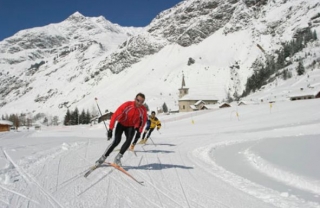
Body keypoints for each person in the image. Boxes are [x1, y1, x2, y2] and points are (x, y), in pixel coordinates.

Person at [95, 93, 147, 166]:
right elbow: (115, 116)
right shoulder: (127, 105)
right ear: (135, 99)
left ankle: (118, 158)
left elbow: (143, 121)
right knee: (116, 141)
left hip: (131, 126)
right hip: (121, 124)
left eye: (142, 102)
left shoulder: (143, 110)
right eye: (138, 100)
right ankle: (103, 157)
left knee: (129, 140)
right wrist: (110, 129)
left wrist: (139, 131)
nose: (139, 103)